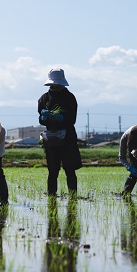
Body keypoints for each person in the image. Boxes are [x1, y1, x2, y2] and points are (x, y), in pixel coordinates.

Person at [38, 68, 82, 197]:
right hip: (51, 138)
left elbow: (72, 120)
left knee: (69, 169)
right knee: (52, 170)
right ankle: (52, 197)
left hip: (67, 137)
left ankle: (73, 196)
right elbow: (41, 121)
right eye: (53, 84)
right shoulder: (44, 98)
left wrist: (61, 118)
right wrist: (44, 117)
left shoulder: (69, 97)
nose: (55, 86)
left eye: (56, 84)